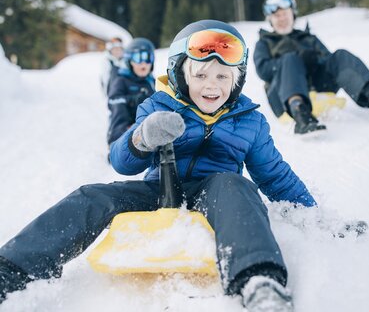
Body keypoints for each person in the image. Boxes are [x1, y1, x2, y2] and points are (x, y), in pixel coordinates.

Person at [0, 20, 318, 311]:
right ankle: (12, 269)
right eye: (201, 74)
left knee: (237, 186)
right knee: (91, 196)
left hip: (217, 193)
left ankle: (258, 280)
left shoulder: (250, 121)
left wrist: (316, 217)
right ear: (181, 74)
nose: (213, 85)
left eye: (223, 76)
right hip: (158, 188)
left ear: (236, 82)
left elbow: (276, 176)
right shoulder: (158, 105)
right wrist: (141, 137)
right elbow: (121, 163)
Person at [253, 0, 369, 134]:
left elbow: (331, 63)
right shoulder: (265, 42)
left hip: (318, 87)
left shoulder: (308, 38)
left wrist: (313, 60)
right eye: (277, 16)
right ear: (270, 20)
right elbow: (263, 71)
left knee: (340, 55)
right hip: (283, 98)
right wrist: (287, 60)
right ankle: (300, 112)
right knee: (290, 59)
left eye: (285, 14)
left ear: (293, 14)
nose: (282, 19)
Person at [106, 37, 155, 148]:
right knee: (120, 108)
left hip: (147, 131)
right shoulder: (121, 80)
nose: (144, 63)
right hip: (128, 128)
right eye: (138, 58)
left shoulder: (151, 81)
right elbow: (114, 103)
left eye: (148, 58)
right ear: (130, 61)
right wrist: (133, 100)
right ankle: (117, 144)